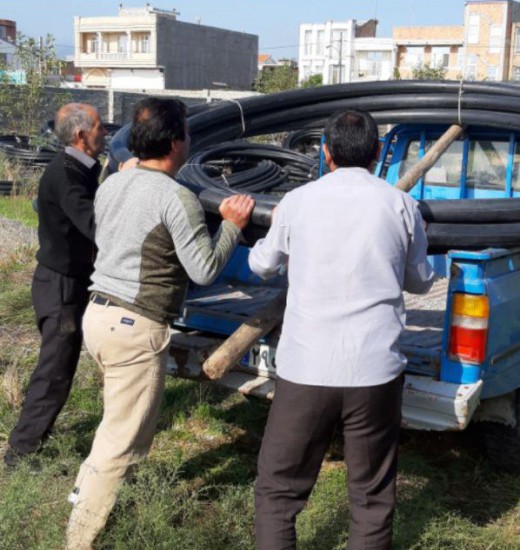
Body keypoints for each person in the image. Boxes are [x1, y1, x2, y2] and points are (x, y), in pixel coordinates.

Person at [65, 97, 254, 549]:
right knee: (122, 443)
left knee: (114, 426)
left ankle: (80, 502)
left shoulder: (112, 184)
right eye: (188, 134)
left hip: (99, 315)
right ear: (174, 143)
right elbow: (204, 269)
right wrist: (231, 225)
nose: (191, 141)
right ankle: (80, 539)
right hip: (136, 326)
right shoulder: (177, 197)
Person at [248, 109, 435, 550]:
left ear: (326, 153)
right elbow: (421, 280)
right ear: (377, 153)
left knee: (278, 493)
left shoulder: (297, 202)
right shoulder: (401, 205)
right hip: (375, 371)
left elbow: (261, 265)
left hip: (307, 368)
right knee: (371, 497)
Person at [4, 103, 107, 469]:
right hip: (60, 287)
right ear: (81, 136)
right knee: (55, 369)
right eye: (99, 127)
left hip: (61, 280)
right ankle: (21, 450)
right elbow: (96, 226)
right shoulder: (67, 177)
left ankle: (31, 437)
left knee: (59, 366)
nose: (105, 133)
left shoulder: (77, 170)